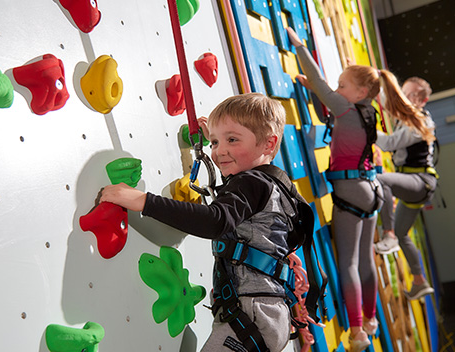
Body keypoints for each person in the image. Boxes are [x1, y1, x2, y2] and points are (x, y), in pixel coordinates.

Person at [101, 92, 315, 352]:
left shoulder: (251, 183)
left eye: (232, 140)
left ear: (269, 144)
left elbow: (215, 220)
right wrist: (221, 135)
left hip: (251, 313)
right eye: (214, 142)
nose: (219, 151)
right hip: (265, 314)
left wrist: (145, 201)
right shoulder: (276, 186)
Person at [287, 27, 395, 351]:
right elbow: (326, 96)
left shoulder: (347, 109)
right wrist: (316, 90)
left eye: (342, 85)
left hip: (351, 192)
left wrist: (299, 46)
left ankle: (358, 332)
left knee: (348, 263)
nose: (336, 89)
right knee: (366, 261)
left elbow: (319, 83)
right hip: (372, 189)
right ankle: (372, 317)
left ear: (360, 91)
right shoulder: (367, 112)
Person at [374, 76, 437, 301]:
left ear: (423, 100)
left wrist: (366, 126)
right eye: (404, 94)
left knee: (381, 180)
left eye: (412, 96)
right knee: (404, 234)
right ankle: (419, 281)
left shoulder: (420, 122)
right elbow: (388, 101)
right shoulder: (409, 117)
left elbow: (389, 143)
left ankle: (387, 234)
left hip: (420, 181)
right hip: (415, 183)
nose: (406, 99)